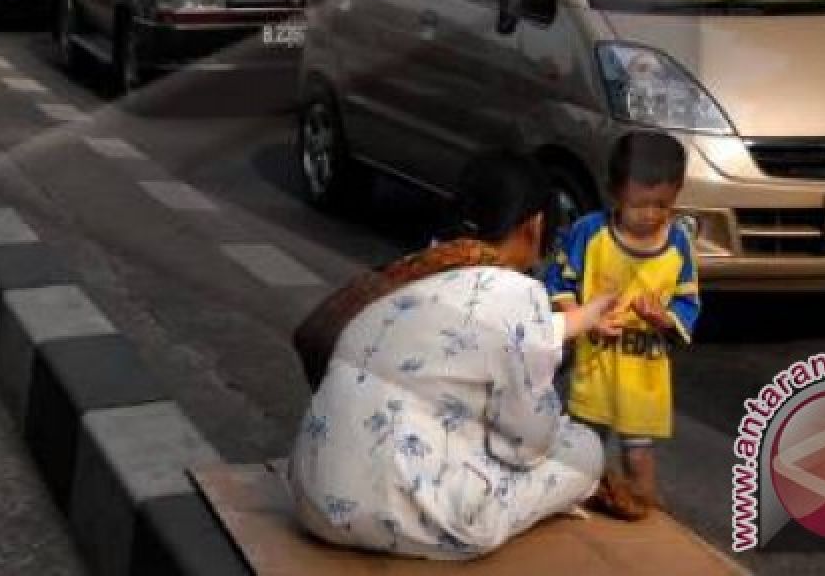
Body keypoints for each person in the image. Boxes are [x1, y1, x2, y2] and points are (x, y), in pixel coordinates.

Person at [288, 153, 620, 560]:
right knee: (584, 451)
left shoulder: (414, 272)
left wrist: (581, 318)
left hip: (313, 497)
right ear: (535, 226)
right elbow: (526, 446)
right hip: (407, 516)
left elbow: (483, 335)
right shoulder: (520, 294)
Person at [545, 131, 700, 511]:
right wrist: (582, 320)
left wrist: (663, 318)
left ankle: (640, 505)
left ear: (677, 194)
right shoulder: (590, 232)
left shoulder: (678, 244)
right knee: (582, 442)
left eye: (662, 205)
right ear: (615, 193)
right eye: (638, 205)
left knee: (638, 454)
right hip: (596, 365)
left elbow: (688, 301)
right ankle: (570, 499)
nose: (649, 215)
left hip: (642, 372)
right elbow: (558, 281)